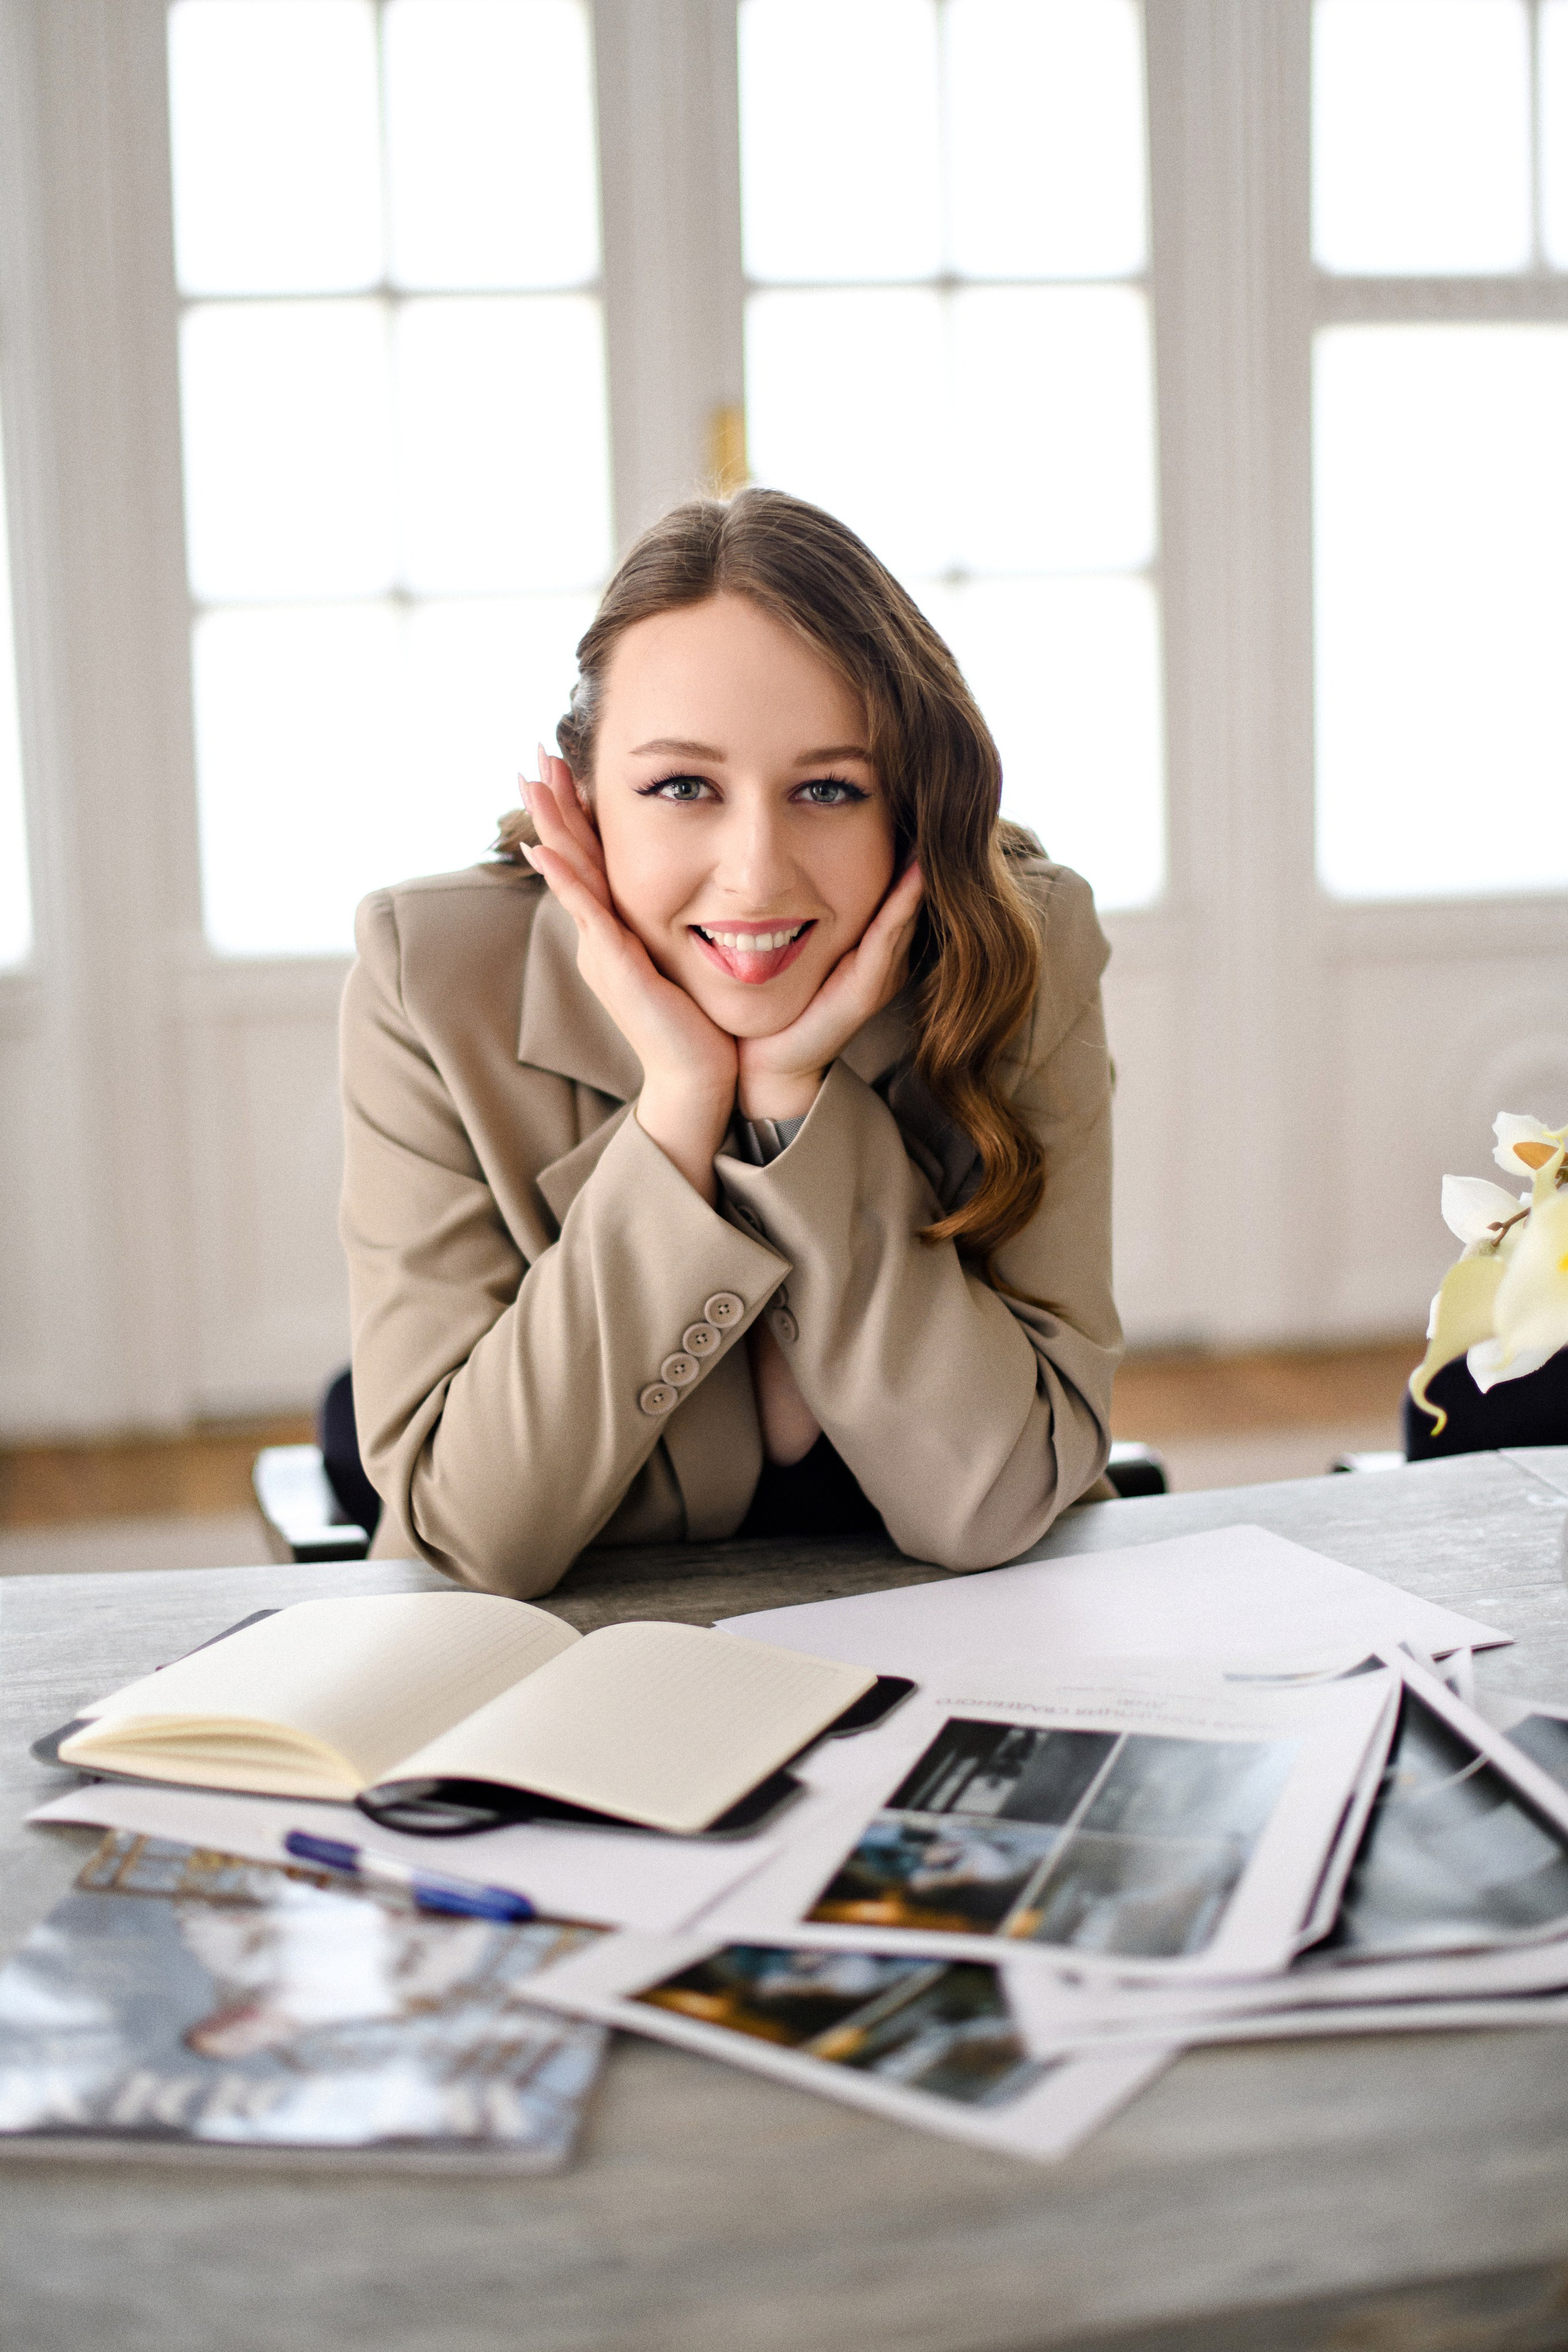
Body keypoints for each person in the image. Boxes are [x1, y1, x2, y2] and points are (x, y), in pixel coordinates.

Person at [339, 488, 1120, 1599]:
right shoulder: (431, 972)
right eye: (682, 786)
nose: (757, 870)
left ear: (908, 802)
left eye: (827, 788)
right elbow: (474, 1537)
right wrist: (681, 1100)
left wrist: (793, 1104)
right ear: (584, 797)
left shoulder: (1022, 946)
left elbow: (995, 1501)